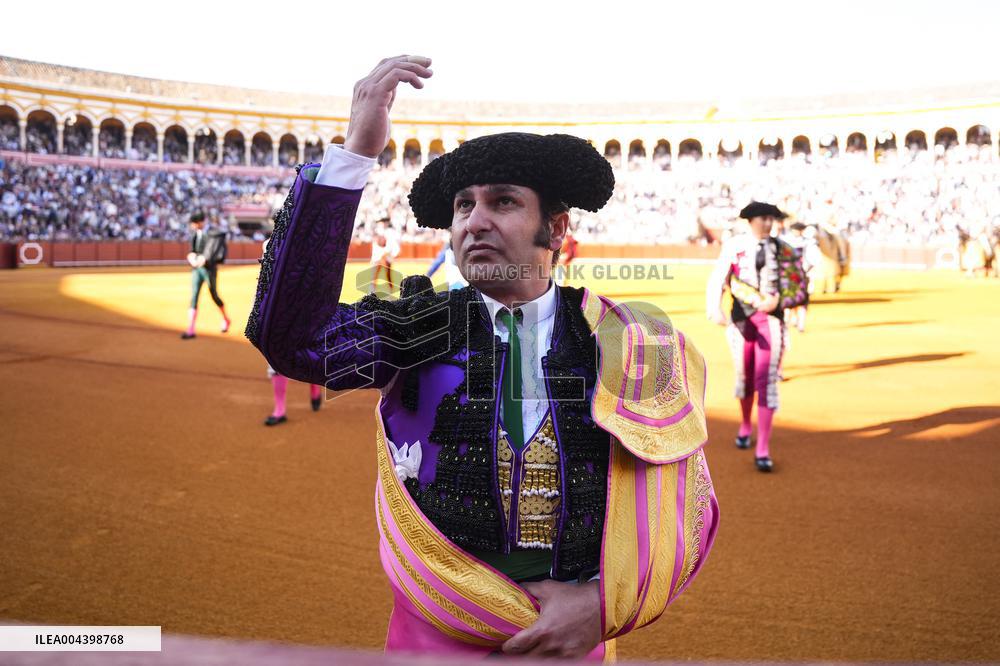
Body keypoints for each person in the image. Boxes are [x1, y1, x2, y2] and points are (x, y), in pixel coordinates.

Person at [246, 55, 718, 660]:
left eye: (503, 202)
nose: (475, 221)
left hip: (569, 640)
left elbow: (685, 503)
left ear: (556, 229)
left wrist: (602, 605)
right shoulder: (417, 325)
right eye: (463, 205)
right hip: (435, 634)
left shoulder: (626, 340)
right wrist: (354, 155)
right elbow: (294, 338)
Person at [706, 202, 808, 472]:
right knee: (745, 376)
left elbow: (801, 288)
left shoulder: (784, 249)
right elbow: (718, 278)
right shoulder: (734, 246)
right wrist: (714, 307)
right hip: (742, 321)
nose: (768, 223)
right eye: (763, 218)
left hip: (771, 321)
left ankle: (763, 447)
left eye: (771, 218)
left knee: (766, 380)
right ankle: (744, 425)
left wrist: (779, 302)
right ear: (750, 220)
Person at [181, 211, 230, 339]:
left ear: (200, 222)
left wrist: (206, 259)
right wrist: (191, 257)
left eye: (194, 223)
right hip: (197, 269)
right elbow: (192, 251)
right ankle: (191, 328)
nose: (193, 226)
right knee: (194, 295)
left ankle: (225, 319)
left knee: (214, 295)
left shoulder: (214, 233)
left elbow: (217, 251)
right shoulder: (195, 235)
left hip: (209, 269)